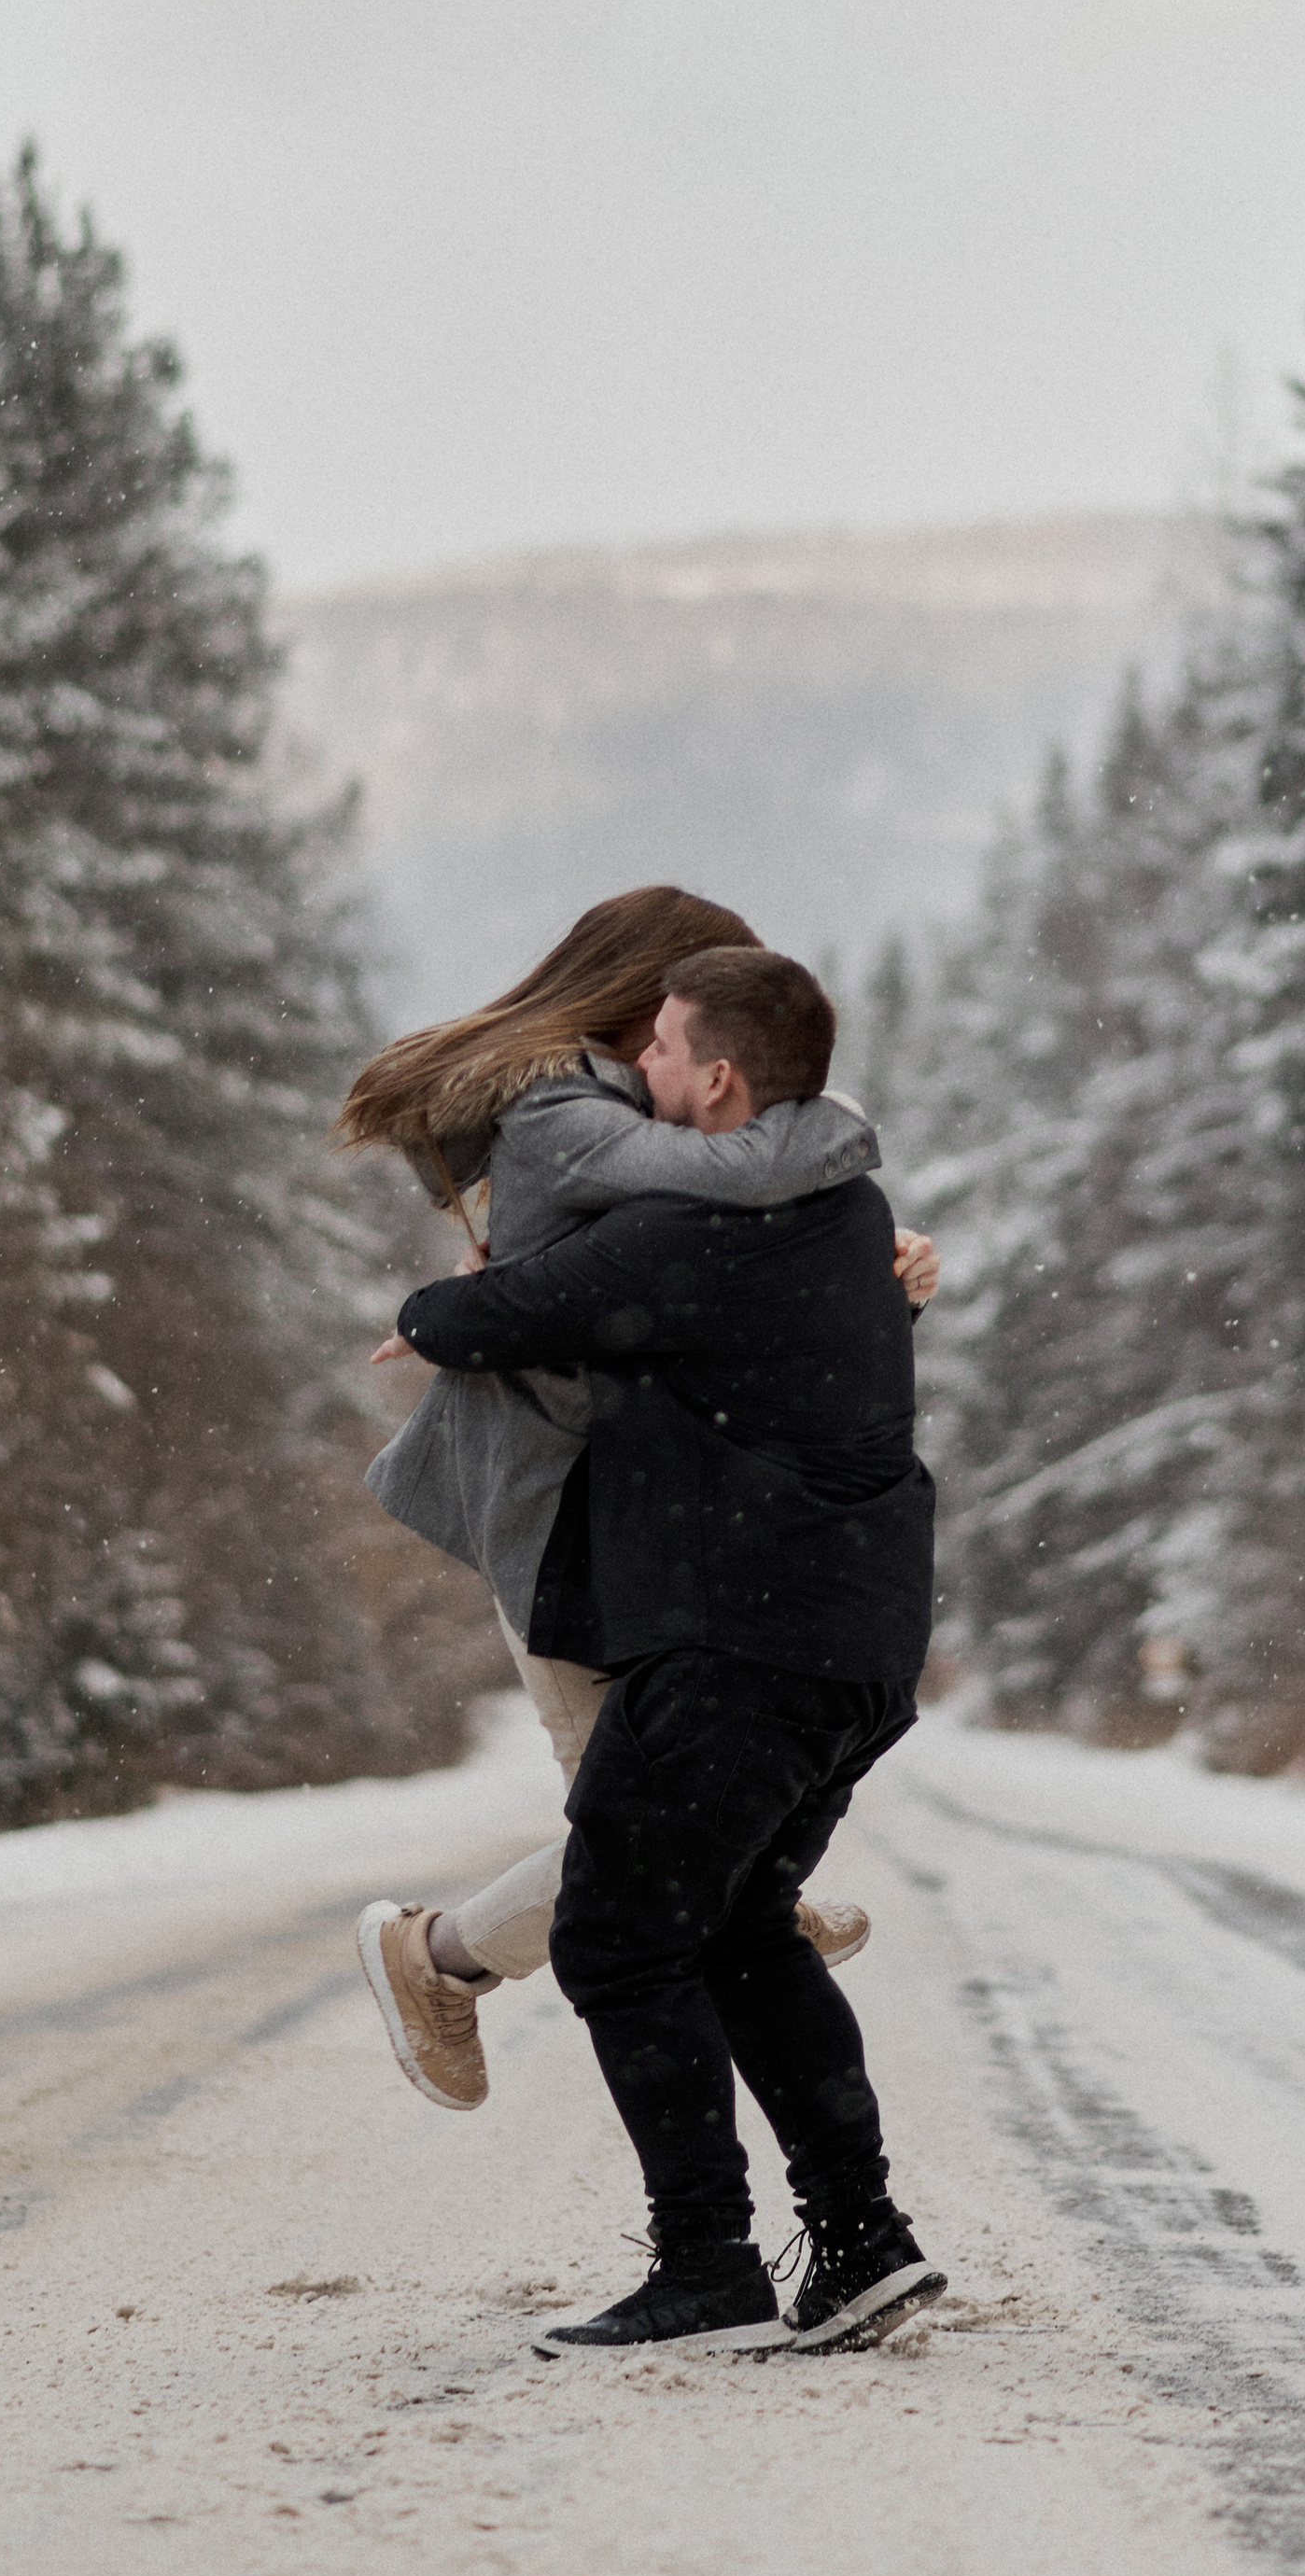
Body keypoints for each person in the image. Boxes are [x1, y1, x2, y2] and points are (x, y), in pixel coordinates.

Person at [391, 945, 945, 2358]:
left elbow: (471, 1318)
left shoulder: (687, 1239)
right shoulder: (848, 1206)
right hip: (864, 1645)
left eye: (661, 1049)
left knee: (621, 1940)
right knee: (746, 1928)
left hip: (735, 1645)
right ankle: (864, 2242)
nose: (639, 1070)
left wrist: (438, 1297)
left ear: (718, 1079)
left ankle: (707, 2264)